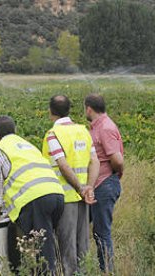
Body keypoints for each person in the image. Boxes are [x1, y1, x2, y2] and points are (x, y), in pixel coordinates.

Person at [0, 115, 64, 273]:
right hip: (57, 195)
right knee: (42, 243)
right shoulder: (27, 145)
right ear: (15, 130)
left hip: (36, 199)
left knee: (42, 252)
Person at [42, 95, 100, 275]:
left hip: (65, 197)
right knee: (83, 245)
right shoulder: (83, 131)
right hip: (83, 196)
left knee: (67, 247)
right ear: (69, 110)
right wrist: (89, 187)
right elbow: (94, 161)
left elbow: (63, 165)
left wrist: (81, 188)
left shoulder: (53, 135)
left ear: (50, 112)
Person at [84, 94, 124, 273]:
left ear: (89, 108)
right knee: (92, 230)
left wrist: (114, 174)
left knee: (102, 233)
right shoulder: (98, 127)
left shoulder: (105, 128)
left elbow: (117, 159)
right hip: (98, 185)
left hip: (104, 184)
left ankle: (107, 271)